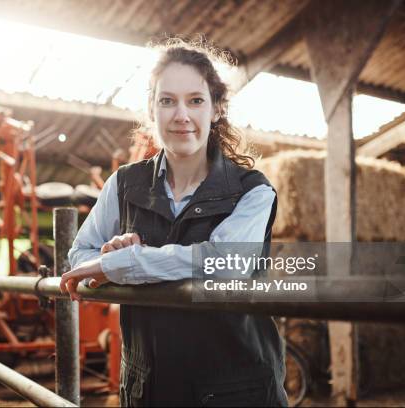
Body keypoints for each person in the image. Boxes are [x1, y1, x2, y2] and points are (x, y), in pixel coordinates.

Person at [60, 39, 287, 407]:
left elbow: (223, 266)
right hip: (150, 390)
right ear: (152, 110)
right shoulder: (123, 184)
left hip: (235, 390)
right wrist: (107, 254)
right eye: (167, 101)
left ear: (217, 109)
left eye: (195, 100)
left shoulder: (253, 191)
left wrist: (123, 263)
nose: (181, 114)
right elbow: (79, 257)